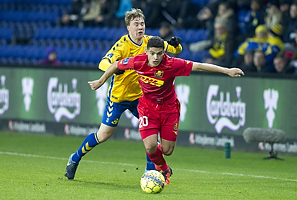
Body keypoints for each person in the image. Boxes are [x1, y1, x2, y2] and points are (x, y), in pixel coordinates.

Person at [88, 36, 244, 185]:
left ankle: (162, 164)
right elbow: (116, 65)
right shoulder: (138, 61)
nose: (155, 57)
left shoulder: (173, 64)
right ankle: (163, 169)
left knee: (167, 150)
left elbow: (200, 66)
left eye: (159, 53)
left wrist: (227, 71)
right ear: (146, 52)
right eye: (152, 53)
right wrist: (101, 81)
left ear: (164, 52)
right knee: (150, 146)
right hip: (147, 108)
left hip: (169, 109)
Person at [65, 9, 182, 180]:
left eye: (142, 24)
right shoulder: (122, 45)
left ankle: (150, 173)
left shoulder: (150, 42)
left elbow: (174, 49)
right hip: (118, 97)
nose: (140, 27)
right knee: (103, 135)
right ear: (128, 27)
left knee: (151, 136)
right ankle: (74, 158)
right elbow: (103, 62)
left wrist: (176, 44)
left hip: (141, 98)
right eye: (136, 24)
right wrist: (113, 70)